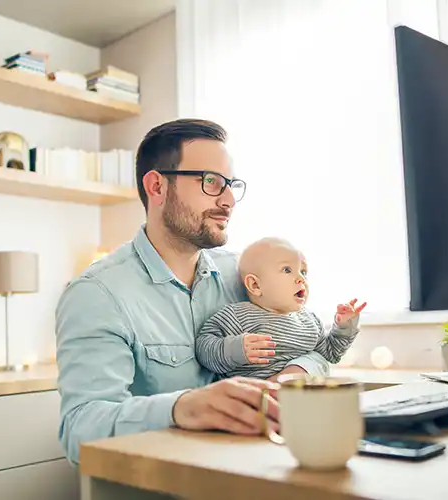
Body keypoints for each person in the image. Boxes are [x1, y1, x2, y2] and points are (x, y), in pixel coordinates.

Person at [54, 119, 330, 465]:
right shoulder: (96, 294)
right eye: (211, 182)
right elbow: (80, 430)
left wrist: (296, 374)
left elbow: (318, 347)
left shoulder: (244, 275)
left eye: (231, 185)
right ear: (157, 186)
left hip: (259, 472)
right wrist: (180, 408)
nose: (229, 200)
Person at [194, 237, 366, 380]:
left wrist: (345, 326)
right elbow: (204, 347)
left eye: (303, 272)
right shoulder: (237, 316)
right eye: (287, 270)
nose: (300, 279)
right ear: (255, 285)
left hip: (301, 402)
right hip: (252, 403)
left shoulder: (309, 321)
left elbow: (331, 353)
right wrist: (235, 349)